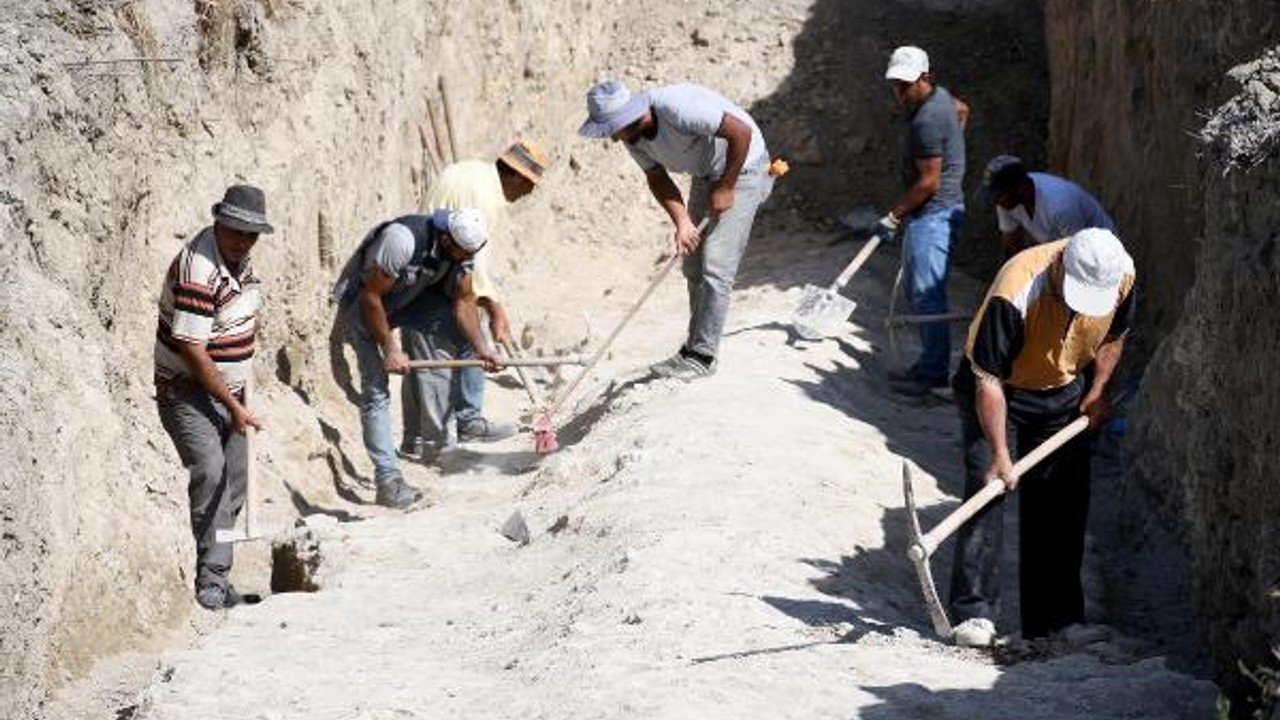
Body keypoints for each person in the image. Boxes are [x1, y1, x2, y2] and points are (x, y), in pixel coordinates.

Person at [947, 228, 1136, 648]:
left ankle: (1056, 621)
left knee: (1063, 498)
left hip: (1063, 387)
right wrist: (999, 453)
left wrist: (1098, 391)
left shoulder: (1121, 276)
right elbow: (988, 381)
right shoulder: (1015, 287)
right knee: (988, 487)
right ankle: (974, 613)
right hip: (1001, 390)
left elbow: (1113, 337)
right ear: (1059, 264)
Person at [578, 80, 774, 381]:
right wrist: (682, 221)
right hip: (707, 173)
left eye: (615, 128)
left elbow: (740, 132)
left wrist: (726, 187)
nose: (615, 138)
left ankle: (703, 357)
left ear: (630, 116)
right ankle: (693, 347)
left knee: (717, 265)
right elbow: (656, 177)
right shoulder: (633, 138)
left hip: (743, 167)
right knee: (694, 266)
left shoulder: (677, 106)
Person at [332, 208, 500, 507]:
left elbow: (464, 300)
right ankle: (388, 481)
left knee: (466, 333)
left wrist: (482, 348)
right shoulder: (403, 241)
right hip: (365, 307)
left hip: (409, 300)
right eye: (462, 253)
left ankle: (438, 432)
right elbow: (371, 298)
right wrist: (391, 348)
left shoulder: (463, 248)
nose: (466, 258)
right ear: (447, 240)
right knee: (376, 390)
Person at [154, 184, 271, 610]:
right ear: (219, 222)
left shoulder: (239, 261)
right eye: (237, 232)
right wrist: (235, 405)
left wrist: (239, 391)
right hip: (186, 390)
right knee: (211, 470)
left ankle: (220, 574)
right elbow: (192, 348)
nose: (243, 241)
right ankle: (212, 581)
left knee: (235, 481)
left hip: (230, 391)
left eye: (251, 235)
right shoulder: (198, 270)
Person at [399, 139, 550, 459]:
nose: (529, 192)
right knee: (434, 363)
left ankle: (459, 423)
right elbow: (474, 265)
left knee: (454, 345)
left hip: (435, 274)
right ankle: (436, 446)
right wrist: (496, 309)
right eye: (530, 184)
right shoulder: (484, 196)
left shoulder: (473, 174)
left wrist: (490, 306)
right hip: (429, 282)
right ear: (516, 176)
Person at [876, 46, 968, 397]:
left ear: (925, 79)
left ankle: (932, 375)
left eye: (905, 84)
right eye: (895, 84)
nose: (898, 92)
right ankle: (930, 367)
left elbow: (928, 182)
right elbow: (963, 109)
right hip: (938, 211)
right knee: (923, 293)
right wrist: (955, 148)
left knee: (927, 297)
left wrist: (892, 216)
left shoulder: (928, 120)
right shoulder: (942, 99)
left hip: (933, 216)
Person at [980, 155, 1116, 258]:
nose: (995, 202)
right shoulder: (1006, 202)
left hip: (1100, 255)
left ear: (1020, 187)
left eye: (999, 195)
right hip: (1061, 250)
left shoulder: (1061, 205)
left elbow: (1079, 257)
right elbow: (1012, 244)